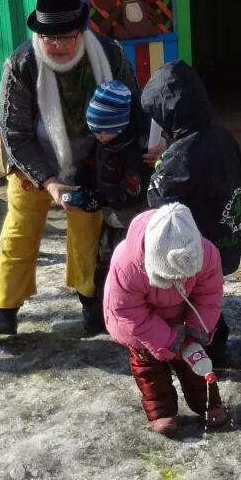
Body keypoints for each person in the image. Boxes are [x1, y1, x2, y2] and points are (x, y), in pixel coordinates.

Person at [0, 0, 142, 337]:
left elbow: (134, 106)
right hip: (34, 162)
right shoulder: (21, 63)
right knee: (20, 231)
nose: (57, 45)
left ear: (82, 30)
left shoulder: (109, 55)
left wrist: (143, 144)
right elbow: (15, 133)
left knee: (87, 231)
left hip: (90, 158)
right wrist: (50, 182)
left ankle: (90, 304)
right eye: (49, 38)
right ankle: (5, 309)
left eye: (67, 36)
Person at [140, 61, 241, 366]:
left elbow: (158, 197)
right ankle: (214, 341)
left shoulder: (185, 153)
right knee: (208, 295)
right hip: (223, 236)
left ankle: (211, 348)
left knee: (196, 300)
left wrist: (161, 166)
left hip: (195, 245)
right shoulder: (222, 136)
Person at [103, 203, 227, 436]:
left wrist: (196, 329)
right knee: (149, 368)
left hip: (184, 316)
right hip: (141, 326)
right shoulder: (127, 263)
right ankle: (161, 411)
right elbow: (127, 311)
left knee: (196, 362)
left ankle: (208, 404)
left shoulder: (207, 254)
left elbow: (209, 295)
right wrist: (168, 340)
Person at [68, 80, 152, 330]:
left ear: (120, 125)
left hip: (132, 222)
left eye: (101, 131)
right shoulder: (104, 142)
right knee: (104, 264)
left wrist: (102, 199)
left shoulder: (135, 150)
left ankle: (134, 312)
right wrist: (84, 187)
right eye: (94, 130)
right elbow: (91, 169)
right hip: (111, 219)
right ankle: (102, 312)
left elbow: (133, 190)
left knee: (130, 267)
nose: (97, 135)